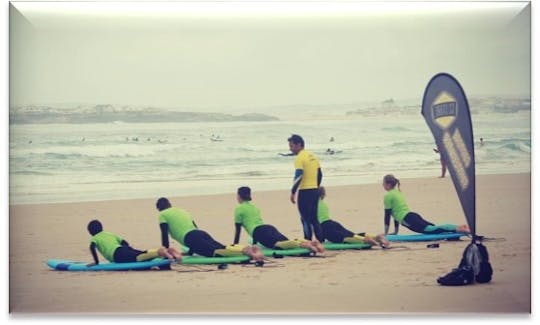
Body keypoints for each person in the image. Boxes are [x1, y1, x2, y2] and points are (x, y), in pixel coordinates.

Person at [156, 197, 263, 261]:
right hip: (200, 233)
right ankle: (242, 249)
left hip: (190, 239)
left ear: (159, 208)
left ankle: (246, 252)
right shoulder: (182, 211)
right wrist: (191, 251)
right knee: (222, 247)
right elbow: (194, 228)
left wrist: (166, 252)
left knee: (215, 253)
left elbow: (164, 233)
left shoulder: (162, 214)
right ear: (170, 204)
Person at [233, 187, 325, 253]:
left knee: (278, 245)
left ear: (239, 196)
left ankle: (307, 245)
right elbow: (256, 223)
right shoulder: (254, 207)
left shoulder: (238, 209)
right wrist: (255, 242)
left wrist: (235, 245)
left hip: (259, 232)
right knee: (286, 242)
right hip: (268, 227)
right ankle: (307, 242)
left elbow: (238, 230)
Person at [382, 174, 470, 235]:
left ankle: (459, 228)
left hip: (408, 220)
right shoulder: (398, 192)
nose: (382, 185)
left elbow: (387, 215)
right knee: (433, 227)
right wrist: (395, 232)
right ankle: (457, 227)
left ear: (388, 185)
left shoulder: (388, 196)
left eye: (383, 183)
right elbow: (396, 214)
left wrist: (386, 233)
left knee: (430, 230)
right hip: (412, 215)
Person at [86, 219, 182, 266]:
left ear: (91, 232)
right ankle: (166, 251)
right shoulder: (109, 233)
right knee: (141, 254)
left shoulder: (95, 238)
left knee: (138, 258)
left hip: (117, 255)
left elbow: (92, 247)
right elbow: (124, 242)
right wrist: (126, 249)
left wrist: (96, 262)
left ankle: (160, 252)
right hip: (123, 249)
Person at [317, 187, 389, 248]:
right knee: (352, 235)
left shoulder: (313, 205)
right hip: (333, 223)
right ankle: (375, 237)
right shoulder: (324, 204)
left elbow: (314, 223)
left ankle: (365, 240)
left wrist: (320, 240)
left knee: (345, 238)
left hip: (325, 228)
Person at [287, 134, 325, 242]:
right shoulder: (312, 156)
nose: (290, 149)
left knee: (305, 219)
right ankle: (320, 241)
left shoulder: (300, 158)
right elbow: (320, 174)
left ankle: (308, 241)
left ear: (299, 144)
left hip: (305, 192)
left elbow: (299, 176)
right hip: (314, 191)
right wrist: (316, 187)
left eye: (292, 146)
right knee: (314, 219)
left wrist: (293, 192)